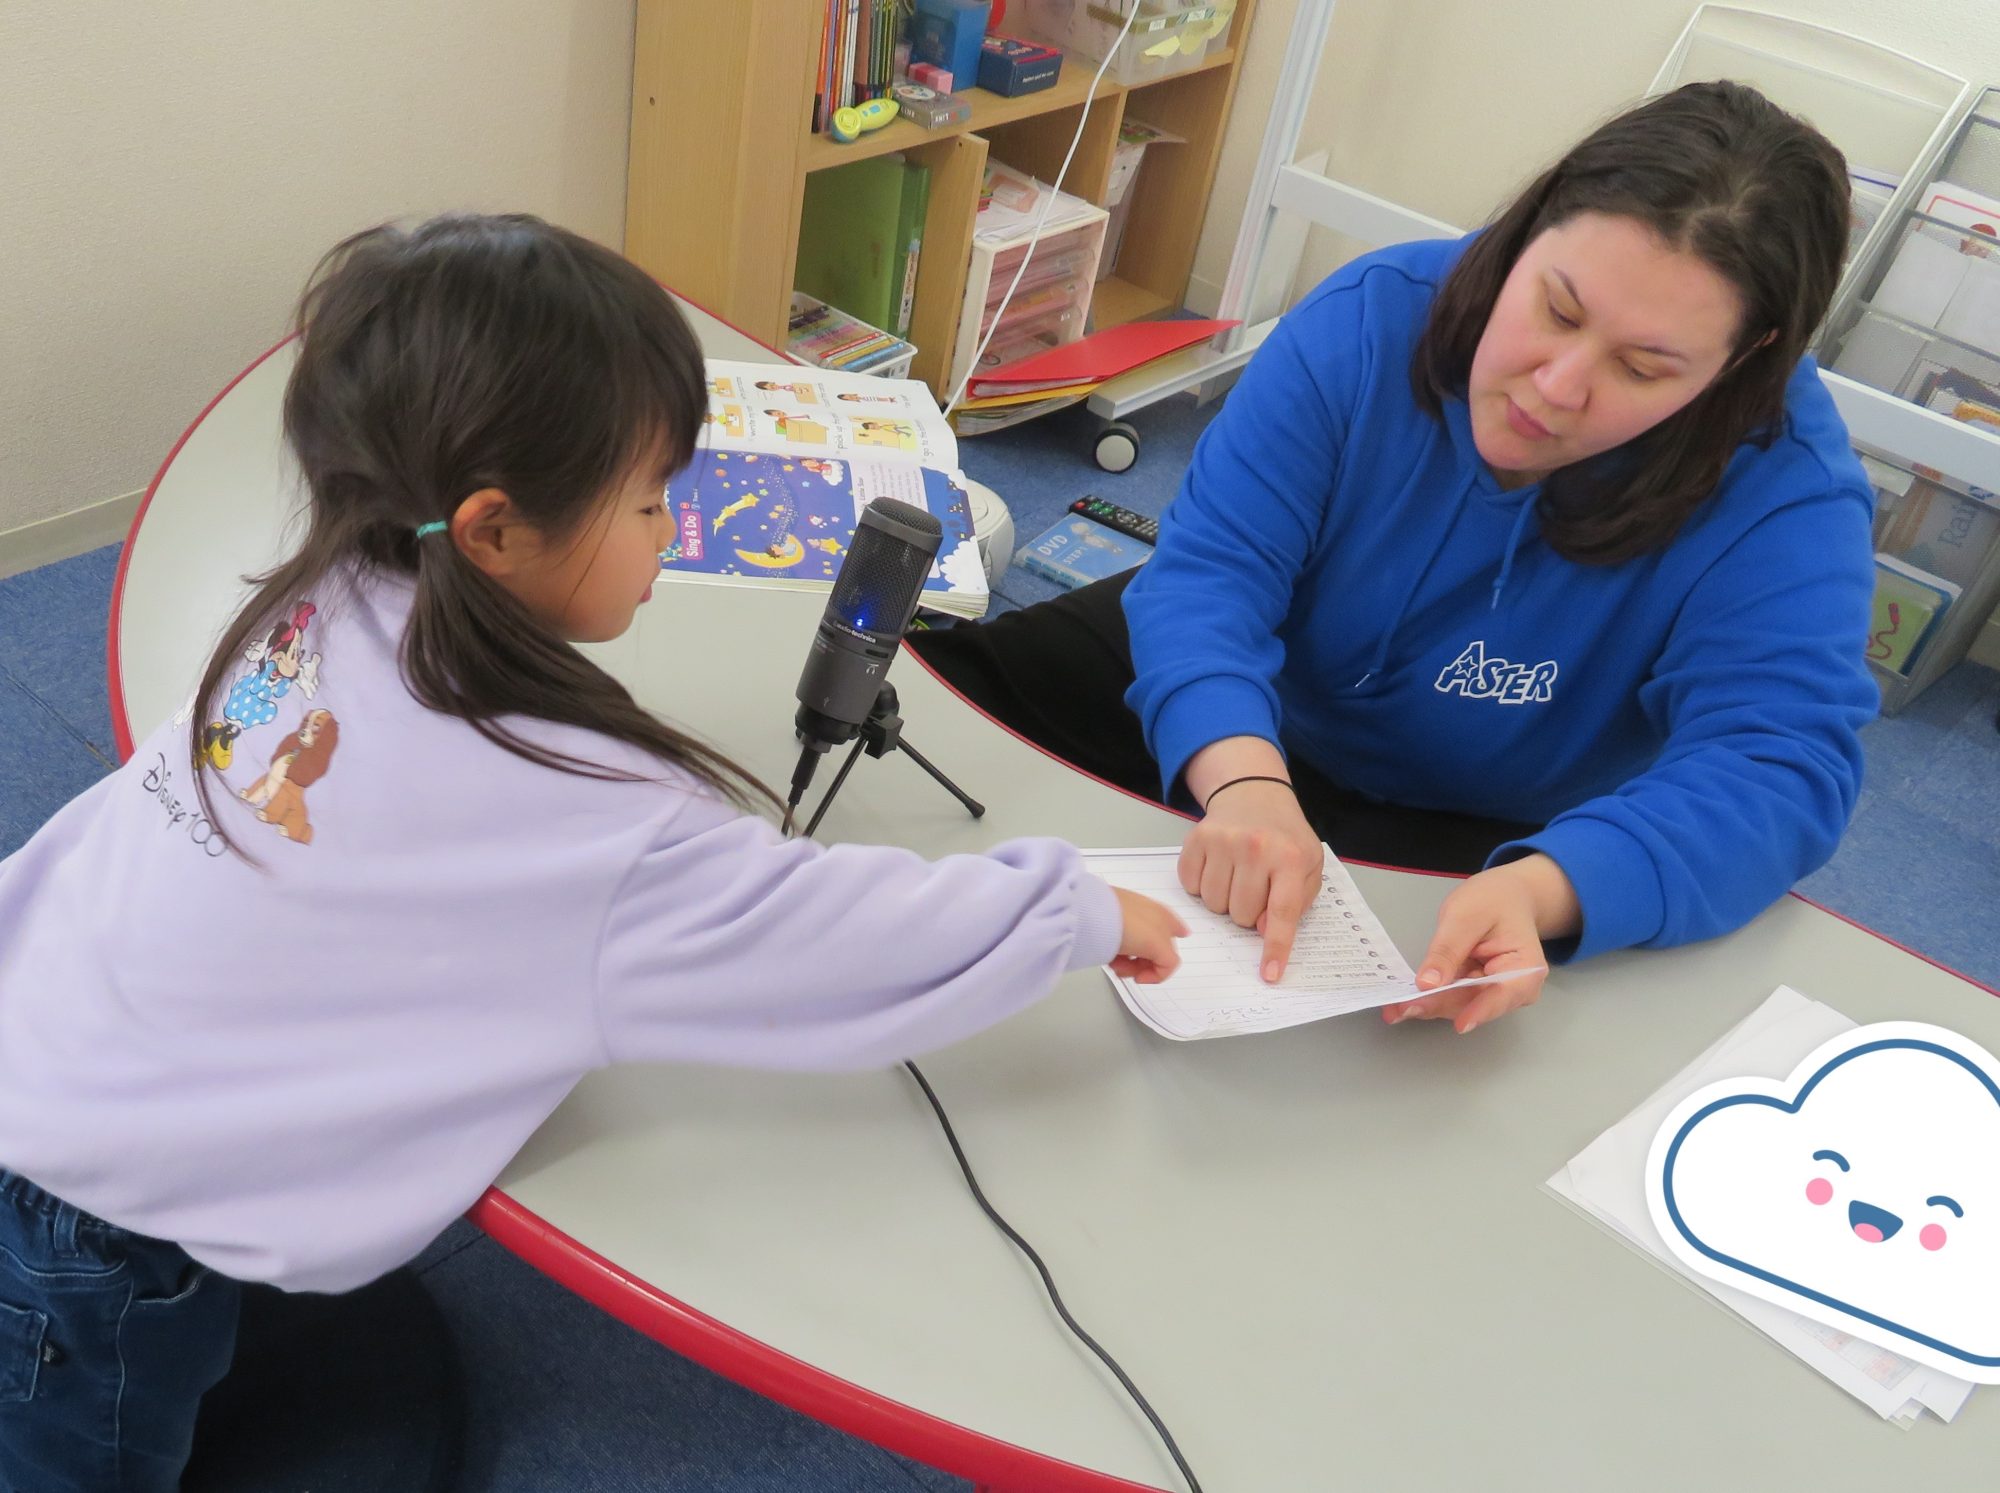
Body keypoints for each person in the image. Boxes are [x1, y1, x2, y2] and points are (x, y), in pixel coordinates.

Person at [0, 213, 1185, 1491]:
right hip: (86, 1245)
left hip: (44, 1041)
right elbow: (838, 941)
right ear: (494, 530)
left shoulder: (321, 588)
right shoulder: (588, 817)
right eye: (647, 499)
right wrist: (1079, 909)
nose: (673, 528)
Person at [910, 80, 1877, 1036]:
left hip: (1483, 824)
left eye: (1641, 368)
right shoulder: (1374, 317)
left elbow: (1777, 768)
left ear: (1744, 361)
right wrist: (1245, 779)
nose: (1557, 386)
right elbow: (1211, 576)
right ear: (1527, 232)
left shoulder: (1789, 488)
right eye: (1556, 308)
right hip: (1258, 685)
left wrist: (1552, 886)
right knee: (916, 726)